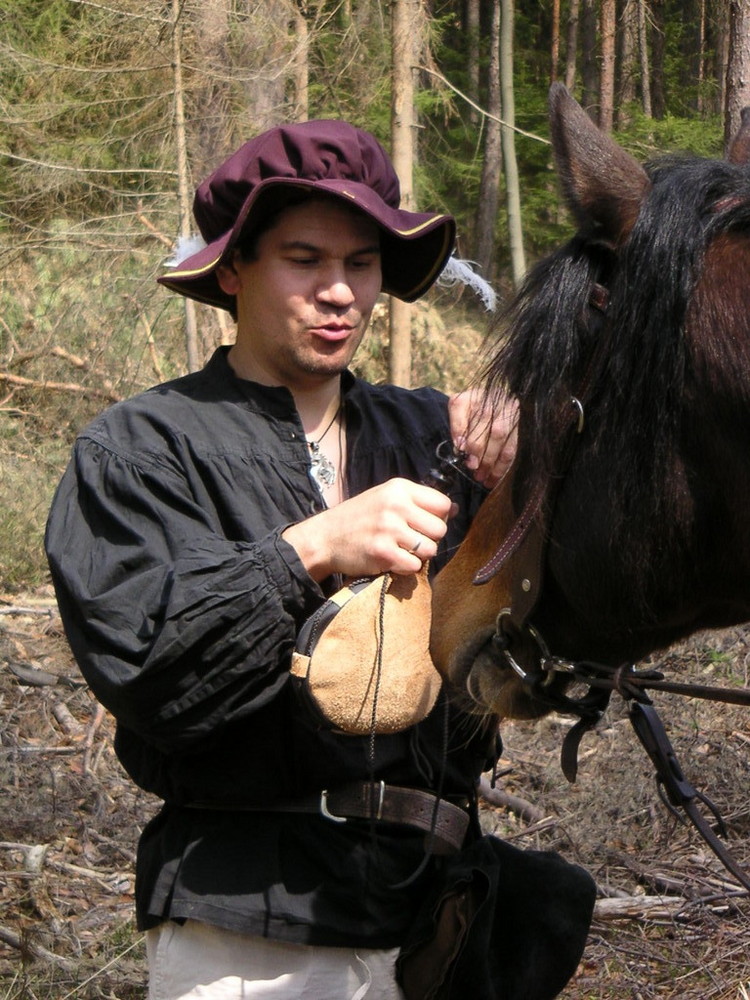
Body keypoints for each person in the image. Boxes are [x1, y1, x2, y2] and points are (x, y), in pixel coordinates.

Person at [45, 119, 516, 1000]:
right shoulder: (144, 448)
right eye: (304, 260)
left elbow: (534, 635)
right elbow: (147, 670)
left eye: (362, 264)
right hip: (250, 933)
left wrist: (534, 460)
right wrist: (314, 547)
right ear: (233, 271)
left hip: (438, 918)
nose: (339, 292)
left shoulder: (430, 432)